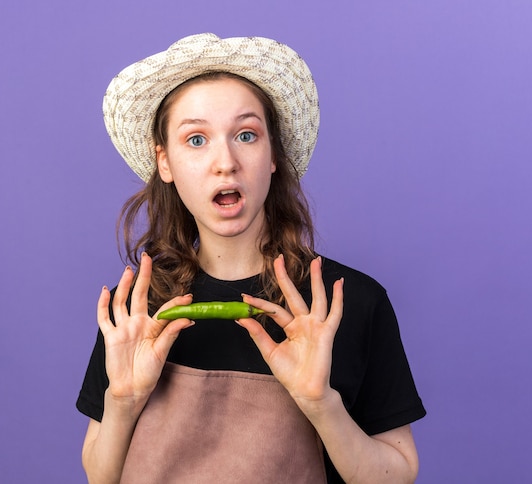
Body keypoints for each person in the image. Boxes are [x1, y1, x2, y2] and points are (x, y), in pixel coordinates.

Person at [76, 33, 426, 483]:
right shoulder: (137, 312)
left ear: (274, 154)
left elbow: (398, 473)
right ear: (164, 162)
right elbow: (98, 475)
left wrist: (321, 403)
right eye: (196, 139)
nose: (225, 161)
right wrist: (122, 403)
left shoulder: (347, 302)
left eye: (246, 134)